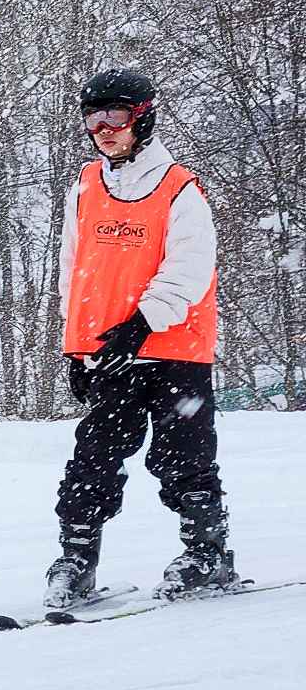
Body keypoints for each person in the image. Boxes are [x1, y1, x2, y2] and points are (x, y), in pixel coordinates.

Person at [46, 67, 238, 607]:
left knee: (183, 455)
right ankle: (77, 560)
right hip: (108, 351)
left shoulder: (180, 189)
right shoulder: (86, 188)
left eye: (117, 115)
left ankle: (207, 554)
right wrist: (77, 348)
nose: (104, 127)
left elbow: (190, 269)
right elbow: (74, 272)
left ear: (143, 117)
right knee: (94, 458)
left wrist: (141, 325)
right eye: (94, 116)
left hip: (173, 348)